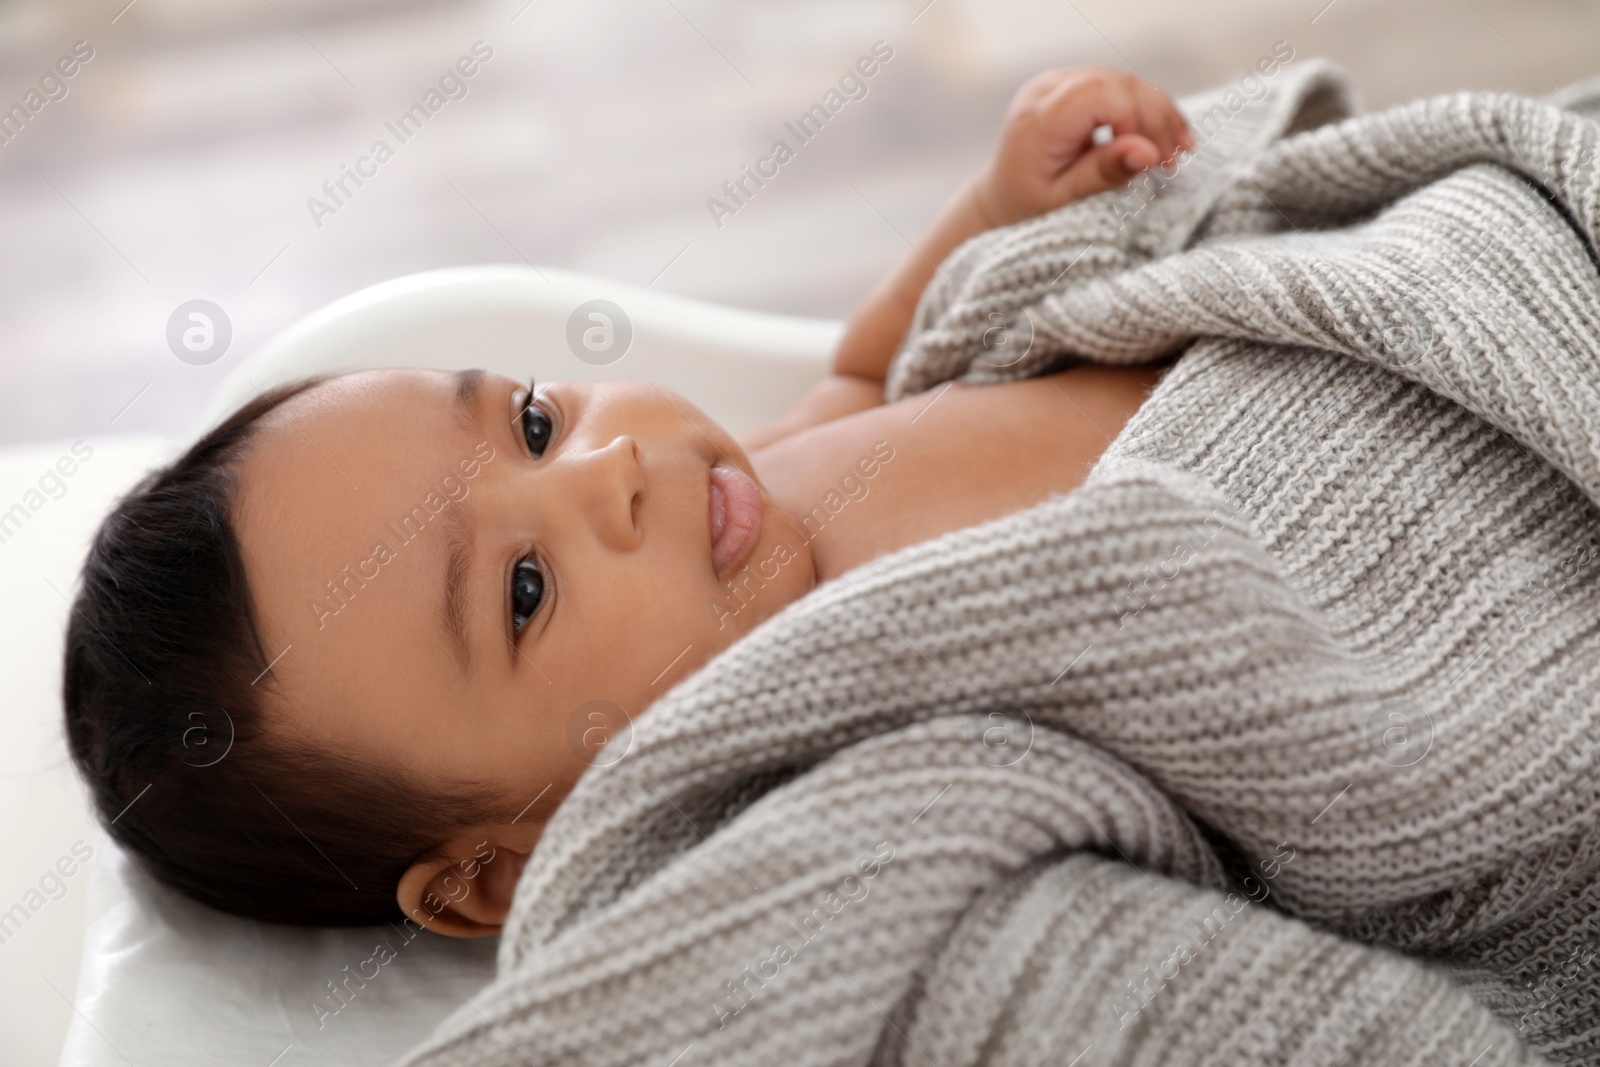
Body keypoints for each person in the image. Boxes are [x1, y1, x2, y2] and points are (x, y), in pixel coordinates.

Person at [62, 67, 1193, 931]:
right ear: (499, 869)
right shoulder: (813, 801)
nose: (608, 472)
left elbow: (868, 367)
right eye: (523, 587)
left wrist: (998, 209)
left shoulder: (759, 478)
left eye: (535, 423)